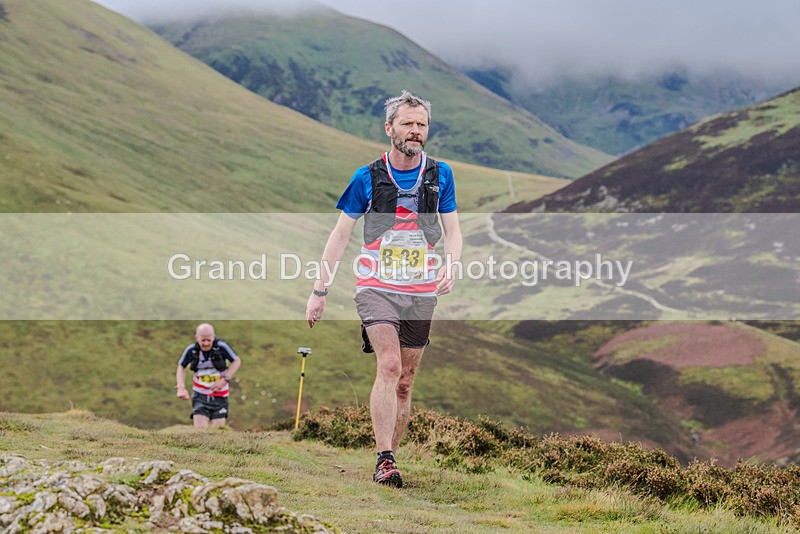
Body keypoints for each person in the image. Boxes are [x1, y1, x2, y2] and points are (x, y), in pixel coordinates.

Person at [306, 90, 462, 488]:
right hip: (376, 286)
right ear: (389, 128)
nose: (415, 131)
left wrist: (452, 263)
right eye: (408, 123)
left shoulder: (441, 175)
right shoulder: (367, 177)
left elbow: (453, 230)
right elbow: (341, 235)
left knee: (406, 381)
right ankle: (384, 458)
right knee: (389, 365)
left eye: (422, 124)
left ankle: (391, 458)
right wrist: (319, 290)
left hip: (421, 290)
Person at [176, 323, 241, 428]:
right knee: (200, 431)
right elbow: (181, 366)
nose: (206, 343)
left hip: (220, 395)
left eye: (209, 340)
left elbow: (236, 361)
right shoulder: (191, 350)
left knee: (218, 432)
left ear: (213, 337)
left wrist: (225, 379)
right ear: (197, 338)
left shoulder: (222, 347)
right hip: (200, 395)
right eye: (203, 340)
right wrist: (181, 387)